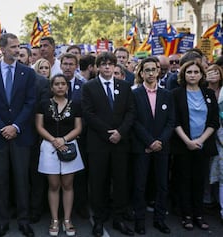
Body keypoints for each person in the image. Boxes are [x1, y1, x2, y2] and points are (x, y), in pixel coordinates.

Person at [0, 33, 36, 237]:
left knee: (22, 180)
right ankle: (2, 221)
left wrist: (16, 127)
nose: (17, 50)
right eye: (13, 47)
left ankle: (24, 220)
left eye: (18, 46)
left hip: (21, 136)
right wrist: (2, 127)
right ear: (2, 49)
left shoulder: (28, 73)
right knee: (0, 180)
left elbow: (31, 102)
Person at [81, 52, 135, 237]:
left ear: (114, 66)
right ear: (97, 67)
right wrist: (108, 133)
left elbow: (130, 112)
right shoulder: (89, 87)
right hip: (98, 144)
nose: (106, 67)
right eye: (103, 64)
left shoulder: (125, 86)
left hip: (120, 143)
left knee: (120, 181)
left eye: (110, 64)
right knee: (98, 183)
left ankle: (118, 218)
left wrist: (120, 132)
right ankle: (99, 219)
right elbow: (88, 114)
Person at [171, 60, 218, 231]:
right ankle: (186, 216)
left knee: (200, 182)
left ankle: (199, 215)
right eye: (189, 72)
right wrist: (188, 141)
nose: (192, 75)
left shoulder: (209, 93)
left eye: (196, 72)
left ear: (201, 75)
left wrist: (200, 140)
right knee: (184, 181)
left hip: (203, 145)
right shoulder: (176, 94)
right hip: (183, 145)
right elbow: (174, 121)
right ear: (183, 74)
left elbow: (214, 122)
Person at [36, 74, 83, 236]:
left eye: (63, 84)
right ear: (51, 87)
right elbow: (39, 126)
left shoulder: (75, 104)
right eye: (57, 84)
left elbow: (78, 128)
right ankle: (55, 219)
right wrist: (54, 140)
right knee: (54, 185)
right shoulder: (43, 104)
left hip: (69, 147)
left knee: (68, 185)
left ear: (67, 87)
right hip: (49, 147)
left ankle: (67, 219)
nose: (60, 87)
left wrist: (63, 139)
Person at [131, 57, 175, 235]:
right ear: (141, 73)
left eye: (153, 69)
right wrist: (149, 142)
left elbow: (171, 122)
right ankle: (139, 220)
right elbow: (134, 121)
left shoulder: (167, 94)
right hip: (142, 147)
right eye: (146, 70)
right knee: (140, 185)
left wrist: (160, 142)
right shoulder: (134, 94)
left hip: (162, 147)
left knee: (162, 185)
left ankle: (160, 220)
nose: (150, 73)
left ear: (158, 72)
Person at [208, 64, 223, 224]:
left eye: (216, 72)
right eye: (210, 72)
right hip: (207, 136)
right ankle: (209, 200)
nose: (213, 75)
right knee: (209, 170)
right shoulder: (203, 91)